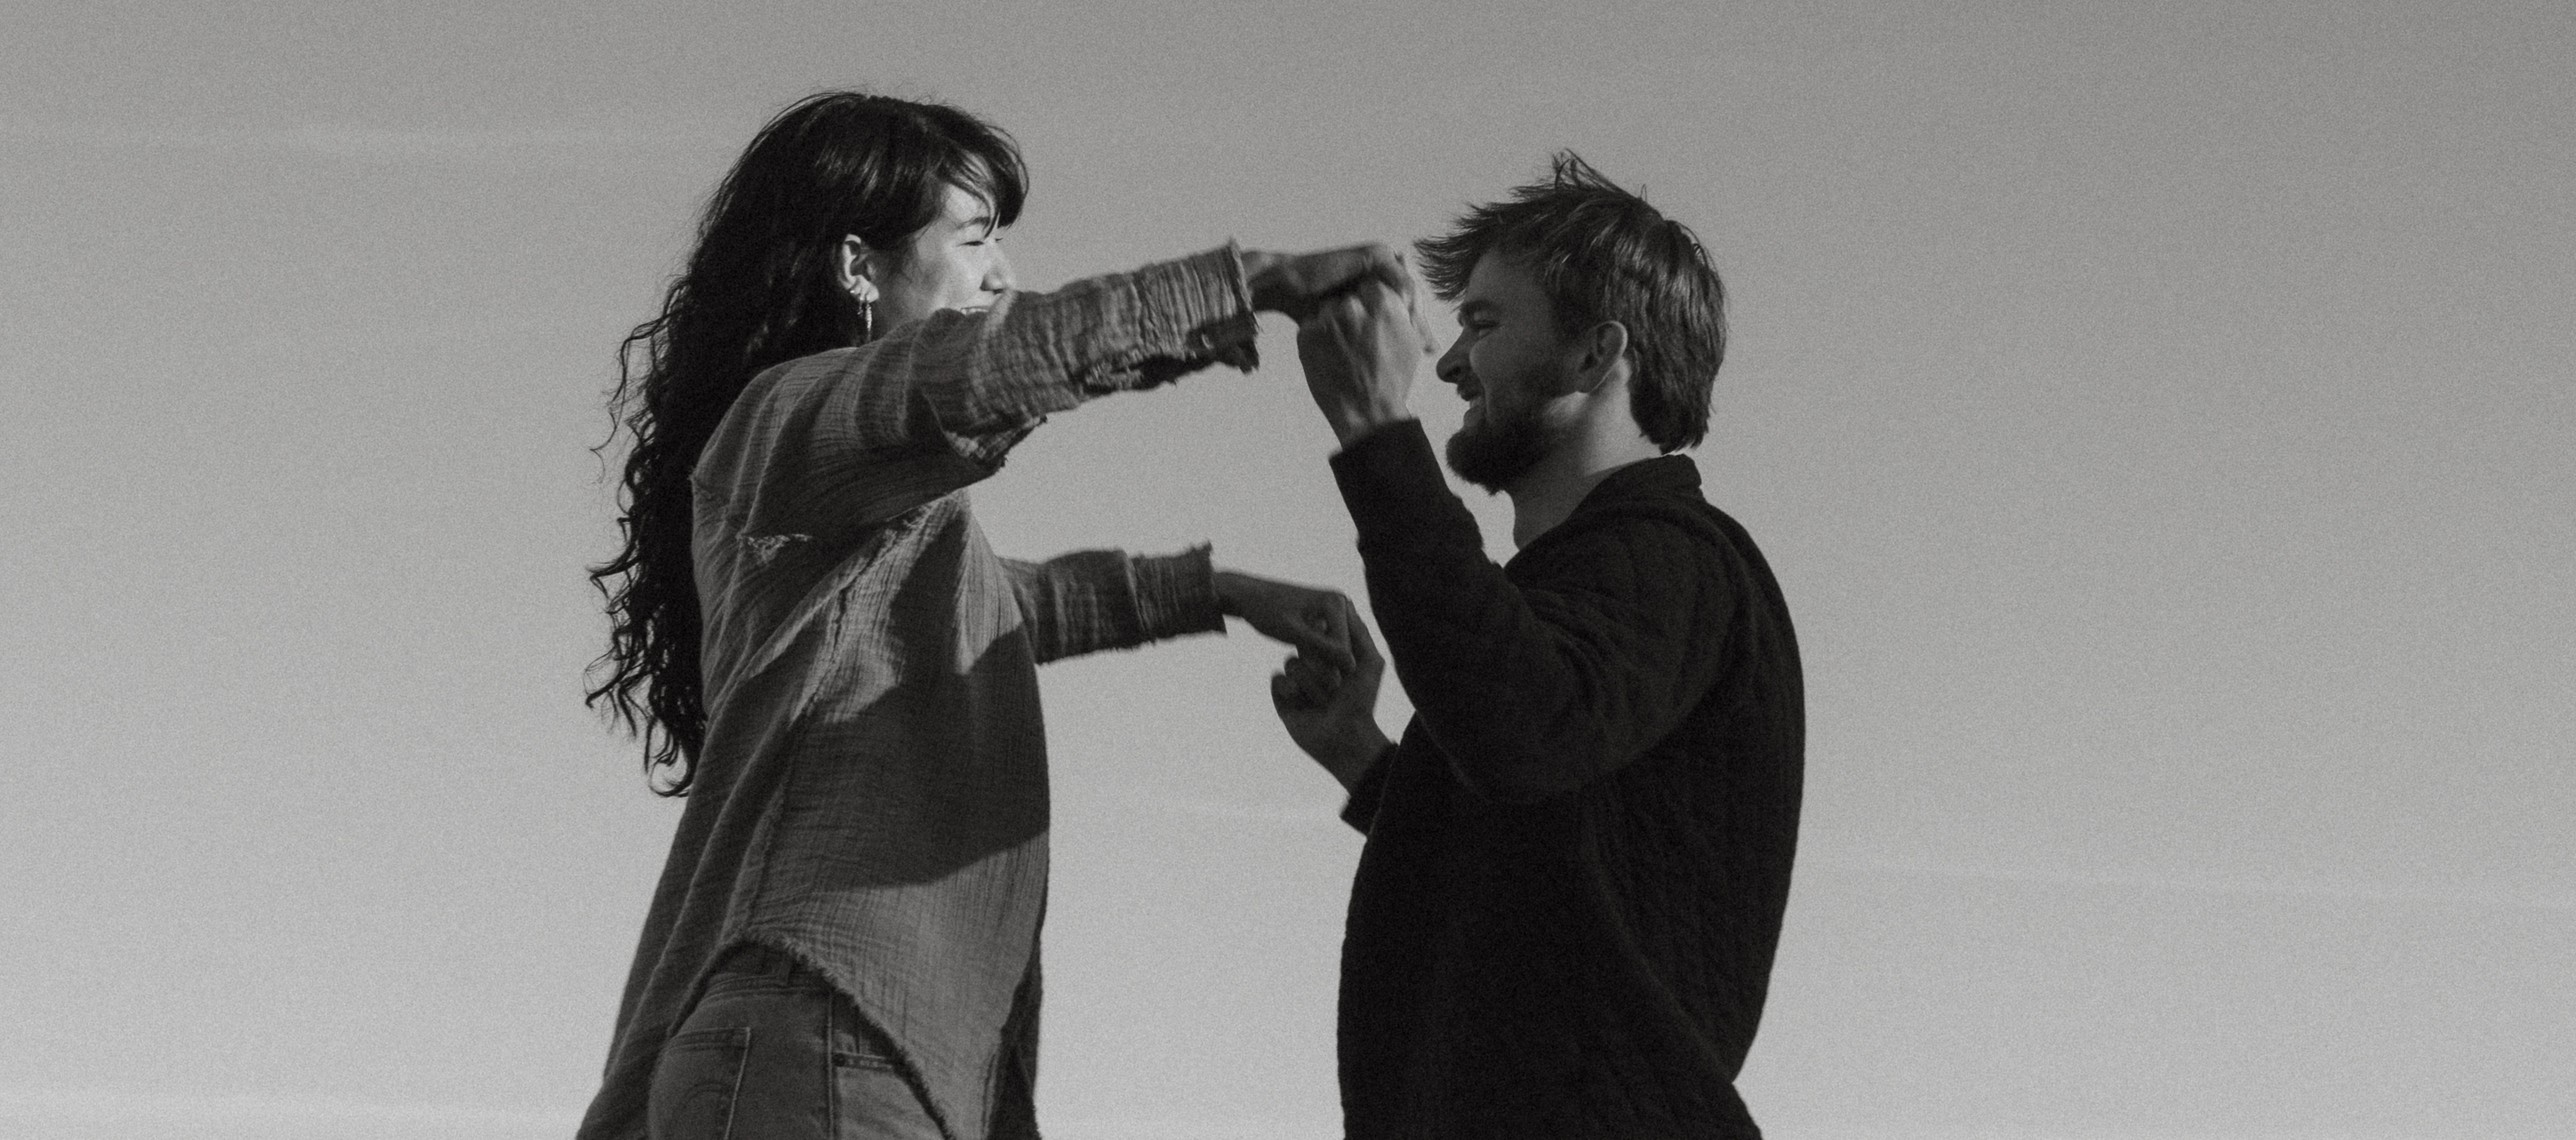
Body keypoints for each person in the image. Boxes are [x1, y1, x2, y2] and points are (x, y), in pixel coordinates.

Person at [576, 90, 1396, 1140]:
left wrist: (1223, 591)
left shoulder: (861, 511)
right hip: (824, 1037)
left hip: (860, 1054)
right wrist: (1253, 283)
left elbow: (1004, 605)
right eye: (974, 239)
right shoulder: (786, 417)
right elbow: (973, 374)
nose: (1000, 270)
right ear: (858, 266)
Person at [1269, 154, 1804, 1139]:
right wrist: (1364, 759)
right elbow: (1543, 863)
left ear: (1598, 354)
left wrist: (1374, 428)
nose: (1446, 363)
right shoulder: (1587, 593)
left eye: (1483, 323)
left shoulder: (1673, 559)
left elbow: (1523, 734)